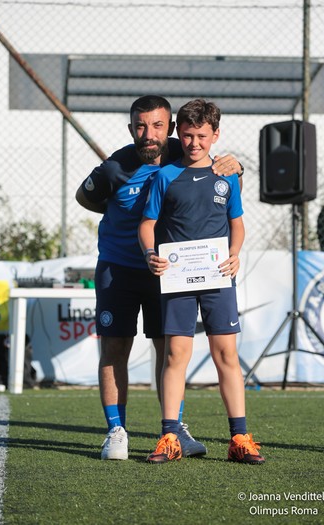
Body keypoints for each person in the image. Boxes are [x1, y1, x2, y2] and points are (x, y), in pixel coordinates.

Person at [76, 95, 244, 461]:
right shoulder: (115, 166)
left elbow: (223, 177)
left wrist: (238, 166)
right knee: (115, 348)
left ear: (169, 129)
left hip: (169, 271)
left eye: (156, 126)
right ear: (131, 127)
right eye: (140, 125)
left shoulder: (183, 152)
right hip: (118, 268)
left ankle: (174, 428)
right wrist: (117, 214)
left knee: (168, 348)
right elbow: (84, 197)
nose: (148, 134)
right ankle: (116, 430)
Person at [138, 98, 265, 465]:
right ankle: (170, 435)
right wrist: (150, 253)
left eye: (202, 136)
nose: (195, 143)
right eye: (189, 135)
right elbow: (147, 225)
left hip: (218, 277)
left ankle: (239, 437)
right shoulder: (164, 176)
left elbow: (236, 223)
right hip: (177, 278)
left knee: (226, 353)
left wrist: (235, 253)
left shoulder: (226, 176)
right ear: (180, 133)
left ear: (216, 135)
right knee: (176, 354)